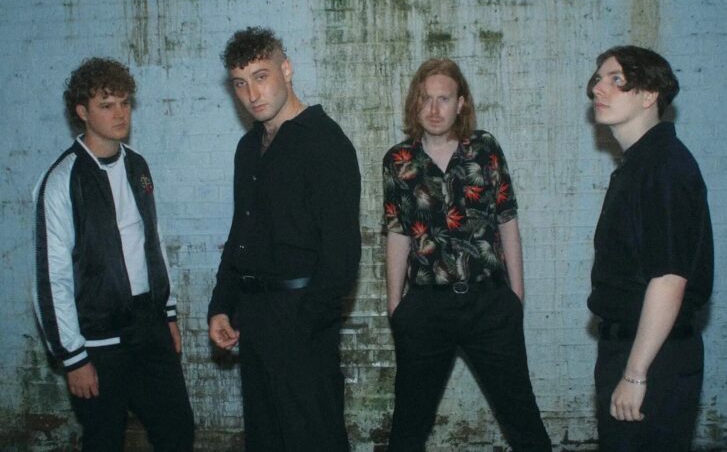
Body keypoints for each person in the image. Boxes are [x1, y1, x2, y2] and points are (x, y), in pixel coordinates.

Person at [382, 58, 552, 451]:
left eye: (444, 98)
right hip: (426, 307)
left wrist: (515, 297)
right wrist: (396, 307)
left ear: (461, 104)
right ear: (414, 104)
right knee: (408, 426)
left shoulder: (485, 150)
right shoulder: (398, 161)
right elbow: (396, 232)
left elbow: (507, 220)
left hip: (489, 303)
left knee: (523, 418)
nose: (434, 109)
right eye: (425, 99)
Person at [207, 27, 361, 452]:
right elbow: (241, 233)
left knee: (315, 438)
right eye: (240, 83)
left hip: (301, 317)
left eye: (261, 75)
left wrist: (306, 324)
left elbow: (342, 255)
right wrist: (222, 304)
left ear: (286, 69)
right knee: (267, 439)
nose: (252, 92)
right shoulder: (248, 148)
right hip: (254, 317)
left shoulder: (325, 143)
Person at [33, 57, 194, 451]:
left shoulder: (138, 165)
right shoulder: (62, 181)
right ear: (82, 112)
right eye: (107, 105)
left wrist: (168, 313)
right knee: (104, 440)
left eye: (124, 102)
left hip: (150, 328)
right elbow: (51, 277)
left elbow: (152, 243)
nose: (120, 113)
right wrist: (73, 357)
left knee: (178, 430)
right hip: (99, 343)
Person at [587, 46, 714, 451]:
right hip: (633, 349)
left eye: (616, 79)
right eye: (598, 79)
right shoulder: (640, 165)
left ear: (649, 95)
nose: (598, 88)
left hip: (653, 358)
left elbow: (669, 279)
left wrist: (636, 373)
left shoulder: (663, 167)